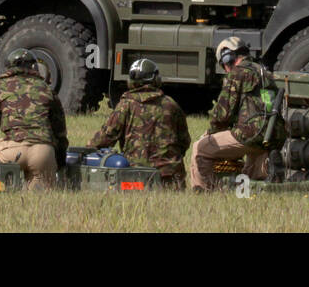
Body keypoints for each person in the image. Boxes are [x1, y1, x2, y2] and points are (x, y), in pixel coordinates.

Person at [0, 48, 67, 189]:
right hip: (43, 152)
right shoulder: (47, 89)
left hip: (12, 151)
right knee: (42, 202)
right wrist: (60, 161)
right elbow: (60, 133)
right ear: (34, 67)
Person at [89, 58, 190, 189]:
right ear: (156, 79)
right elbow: (184, 141)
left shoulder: (125, 106)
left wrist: (86, 150)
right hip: (170, 181)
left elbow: (104, 139)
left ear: (131, 81)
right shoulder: (171, 105)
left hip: (136, 182)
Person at [188, 36, 273, 191]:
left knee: (199, 148)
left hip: (249, 134)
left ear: (228, 57)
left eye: (223, 65)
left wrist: (210, 133)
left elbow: (222, 114)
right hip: (269, 136)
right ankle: (250, 195)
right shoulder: (265, 73)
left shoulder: (236, 73)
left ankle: (203, 193)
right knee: (253, 174)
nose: (225, 69)